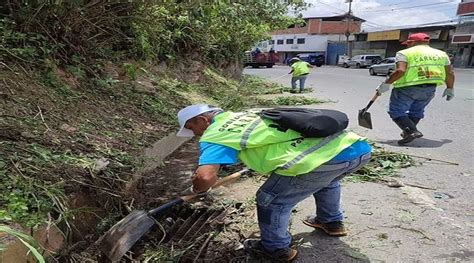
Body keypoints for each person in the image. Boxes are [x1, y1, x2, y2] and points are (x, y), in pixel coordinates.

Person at [176, 104, 372, 262]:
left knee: (270, 200)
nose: (195, 134)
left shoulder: (215, 133)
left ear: (202, 120)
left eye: (192, 128)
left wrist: (197, 189)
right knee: (326, 182)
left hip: (323, 161)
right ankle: (331, 222)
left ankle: (276, 250)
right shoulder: (250, 113)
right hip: (357, 149)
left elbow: (205, 177)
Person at [376, 32, 455, 145]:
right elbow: (450, 73)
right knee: (417, 111)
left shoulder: (404, 53)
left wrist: (386, 84)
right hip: (429, 88)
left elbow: (400, 71)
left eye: (408, 43)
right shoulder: (442, 54)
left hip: (407, 87)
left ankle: (411, 131)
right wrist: (450, 88)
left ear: (412, 42)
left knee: (396, 111)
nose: (407, 45)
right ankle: (408, 130)